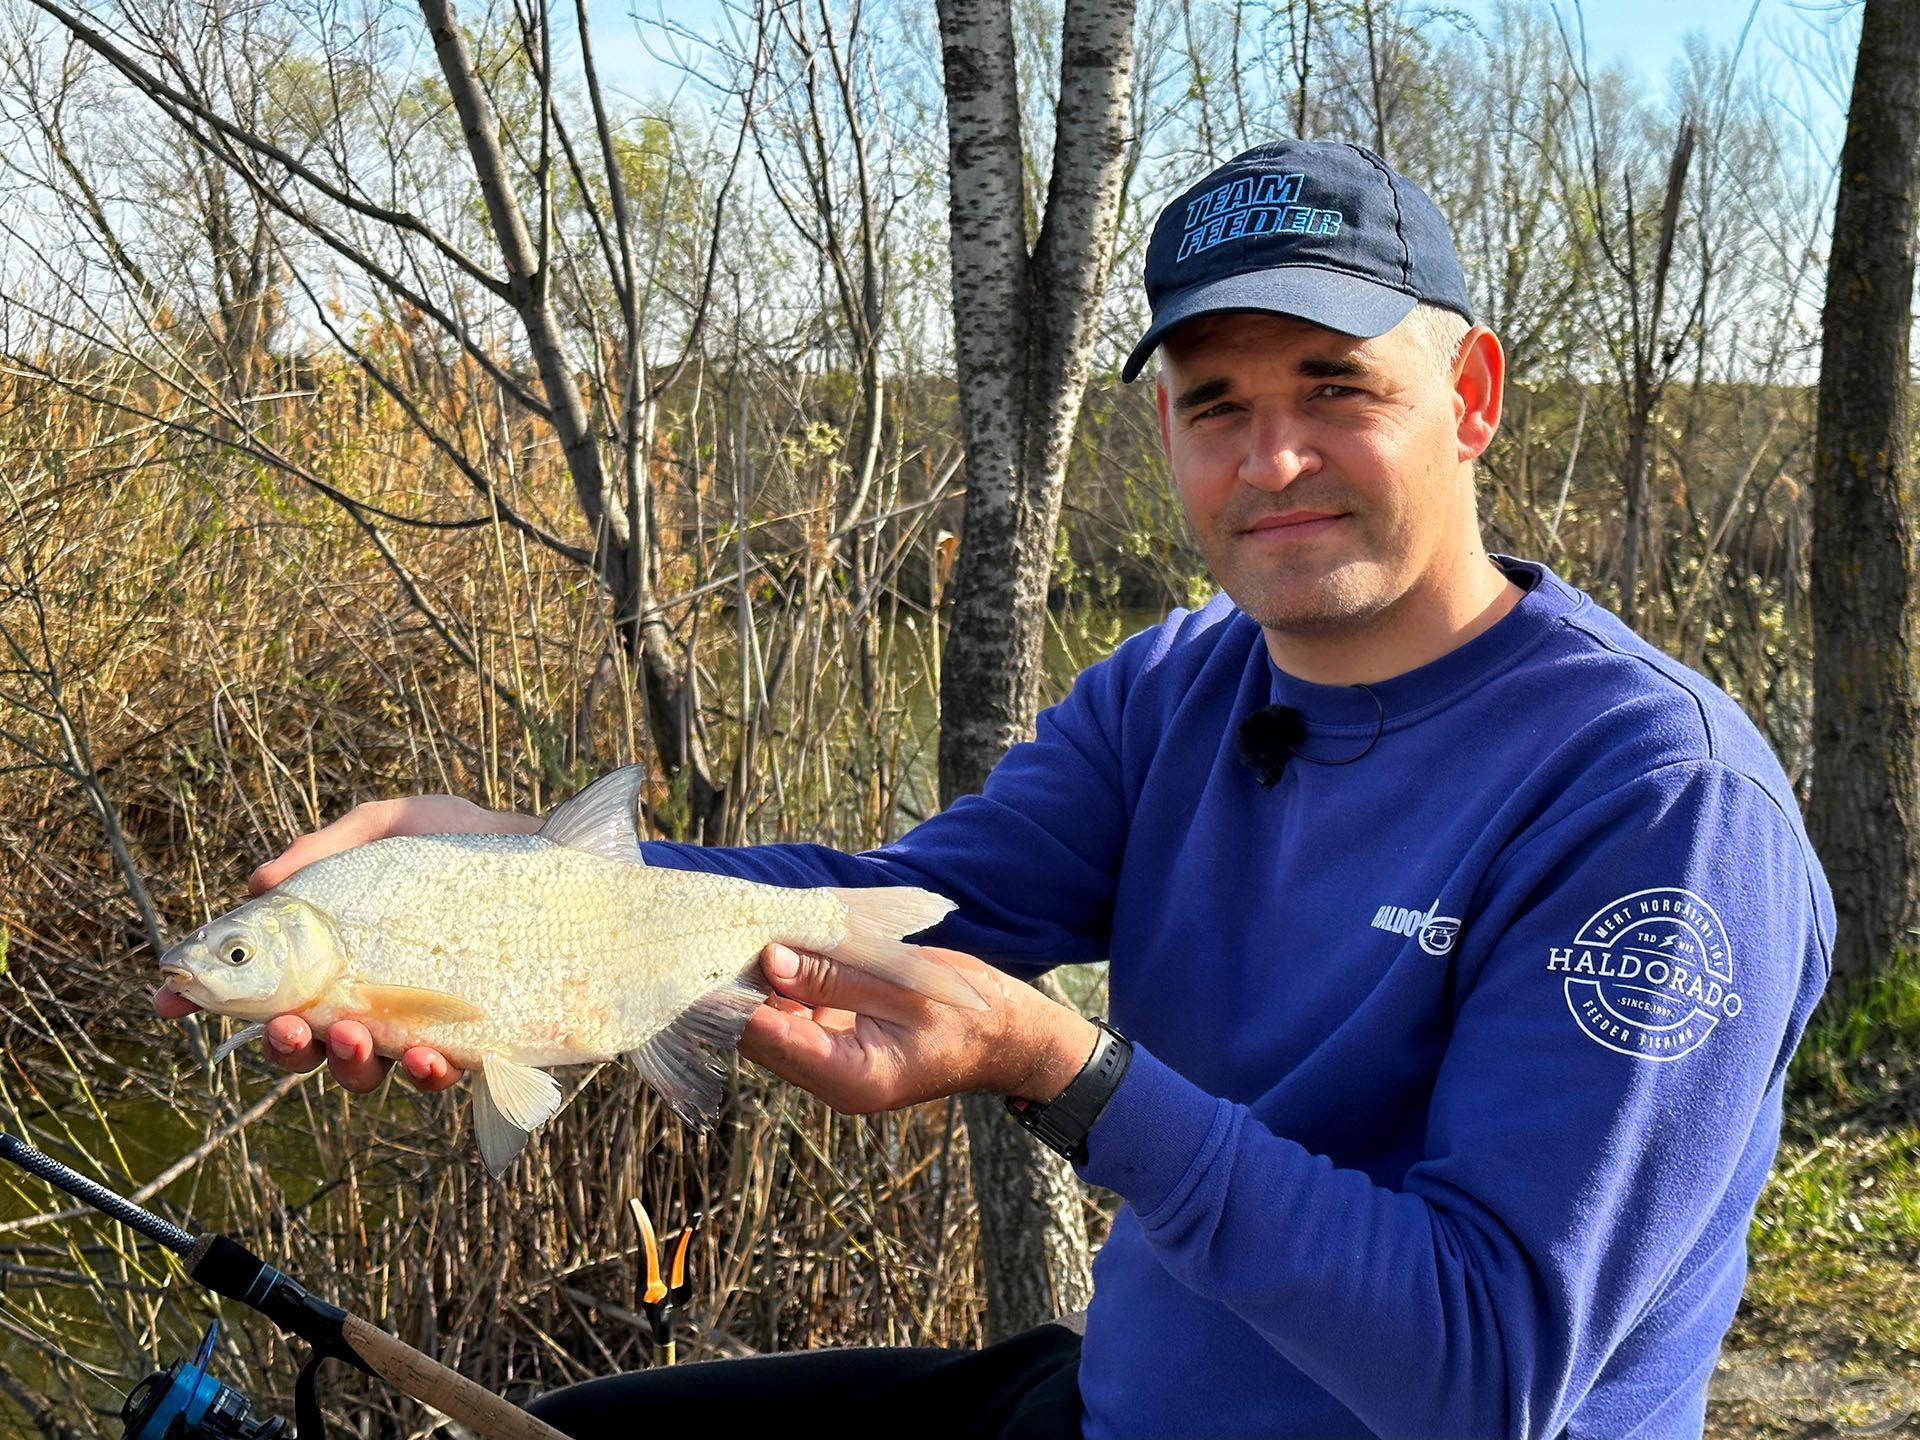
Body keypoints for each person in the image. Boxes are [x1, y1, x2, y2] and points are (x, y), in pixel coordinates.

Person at [155, 139, 1833, 1439]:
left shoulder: (1654, 801)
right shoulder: (1180, 687)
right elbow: (904, 907)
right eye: (1215, 403)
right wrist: (531, 883)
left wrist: (1065, 1075)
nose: (1270, 461)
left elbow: (1487, 1377)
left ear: (1468, 398)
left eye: (1337, 390)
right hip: (1122, 1405)